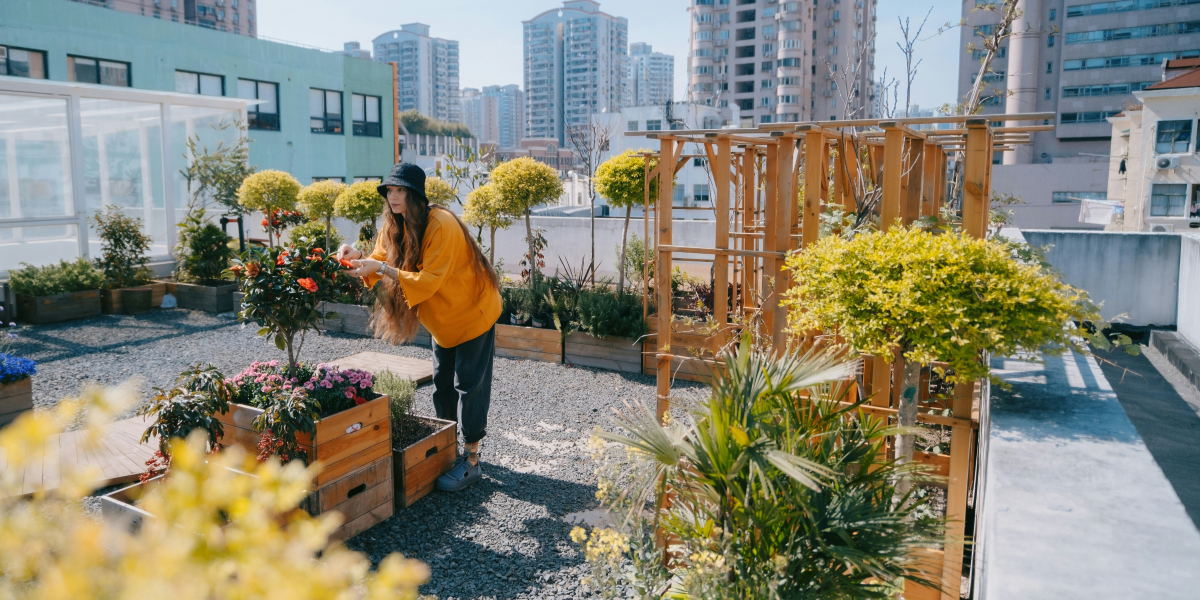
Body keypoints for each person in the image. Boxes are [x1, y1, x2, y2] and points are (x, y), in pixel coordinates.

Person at [338, 163, 502, 492]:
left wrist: (381, 267)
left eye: (400, 191)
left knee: (470, 387)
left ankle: (471, 460)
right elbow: (380, 257)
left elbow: (427, 282)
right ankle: (446, 447)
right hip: (442, 321)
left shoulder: (441, 224)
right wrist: (356, 256)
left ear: (415, 195)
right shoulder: (393, 225)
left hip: (473, 314)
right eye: (390, 191)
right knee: (442, 385)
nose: (393, 197)